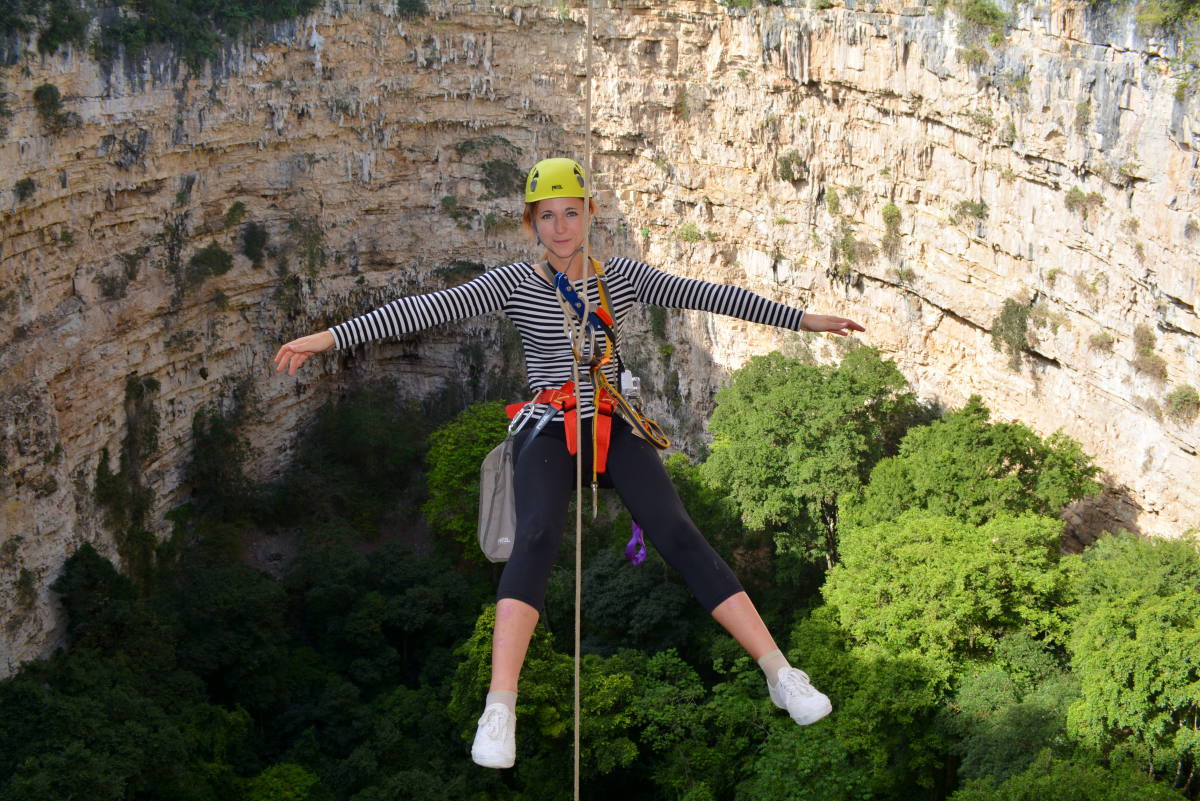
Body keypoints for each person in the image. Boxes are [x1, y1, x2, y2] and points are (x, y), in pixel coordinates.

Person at [274, 157, 866, 770]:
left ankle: (779, 672)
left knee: (681, 534)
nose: (561, 227)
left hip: (612, 420)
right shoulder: (514, 283)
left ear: (590, 214)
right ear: (532, 222)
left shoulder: (625, 278)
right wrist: (328, 338)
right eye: (548, 216)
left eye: (571, 213)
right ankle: (500, 706)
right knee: (534, 537)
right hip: (549, 425)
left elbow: (708, 294)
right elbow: (426, 309)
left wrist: (805, 320)